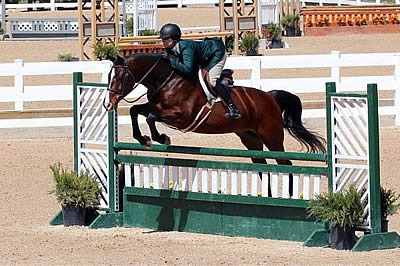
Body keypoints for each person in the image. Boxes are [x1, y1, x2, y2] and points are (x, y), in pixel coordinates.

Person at [159, 23, 241, 120]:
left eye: (165, 39)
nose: (163, 42)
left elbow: (187, 69)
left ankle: (232, 107)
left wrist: (172, 60)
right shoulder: (173, 47)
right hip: (205, 57)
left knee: (213, 81)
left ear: (175, 38)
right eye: (162, 39)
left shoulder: (185, 48)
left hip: (217, 53)